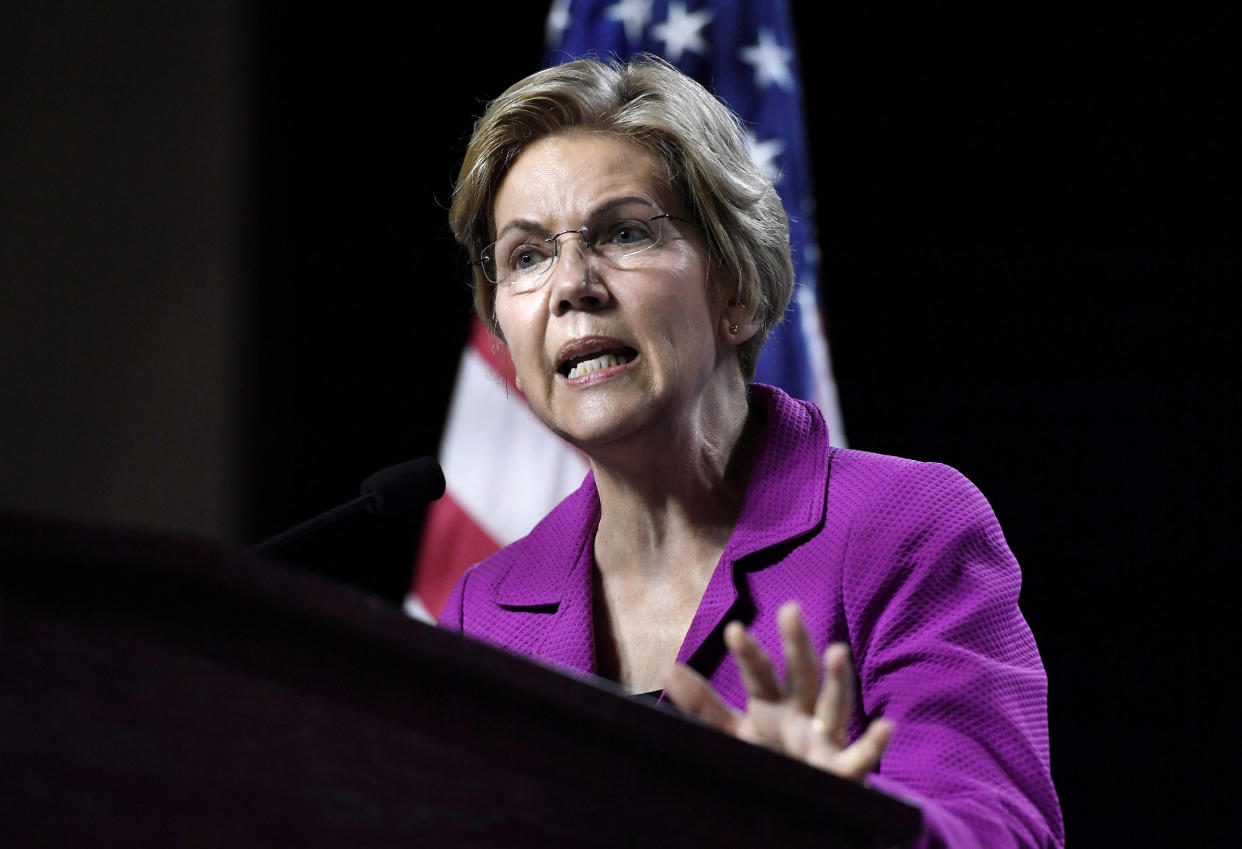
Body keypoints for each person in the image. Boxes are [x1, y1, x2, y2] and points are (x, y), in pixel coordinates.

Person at [437, 56, 1064, 848]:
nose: (572, 286)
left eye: (625, 232)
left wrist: (839, 822)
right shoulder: (487, 607)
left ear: (735, 287)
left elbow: (1001, 830)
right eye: (526, 256)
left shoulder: (904, 530)